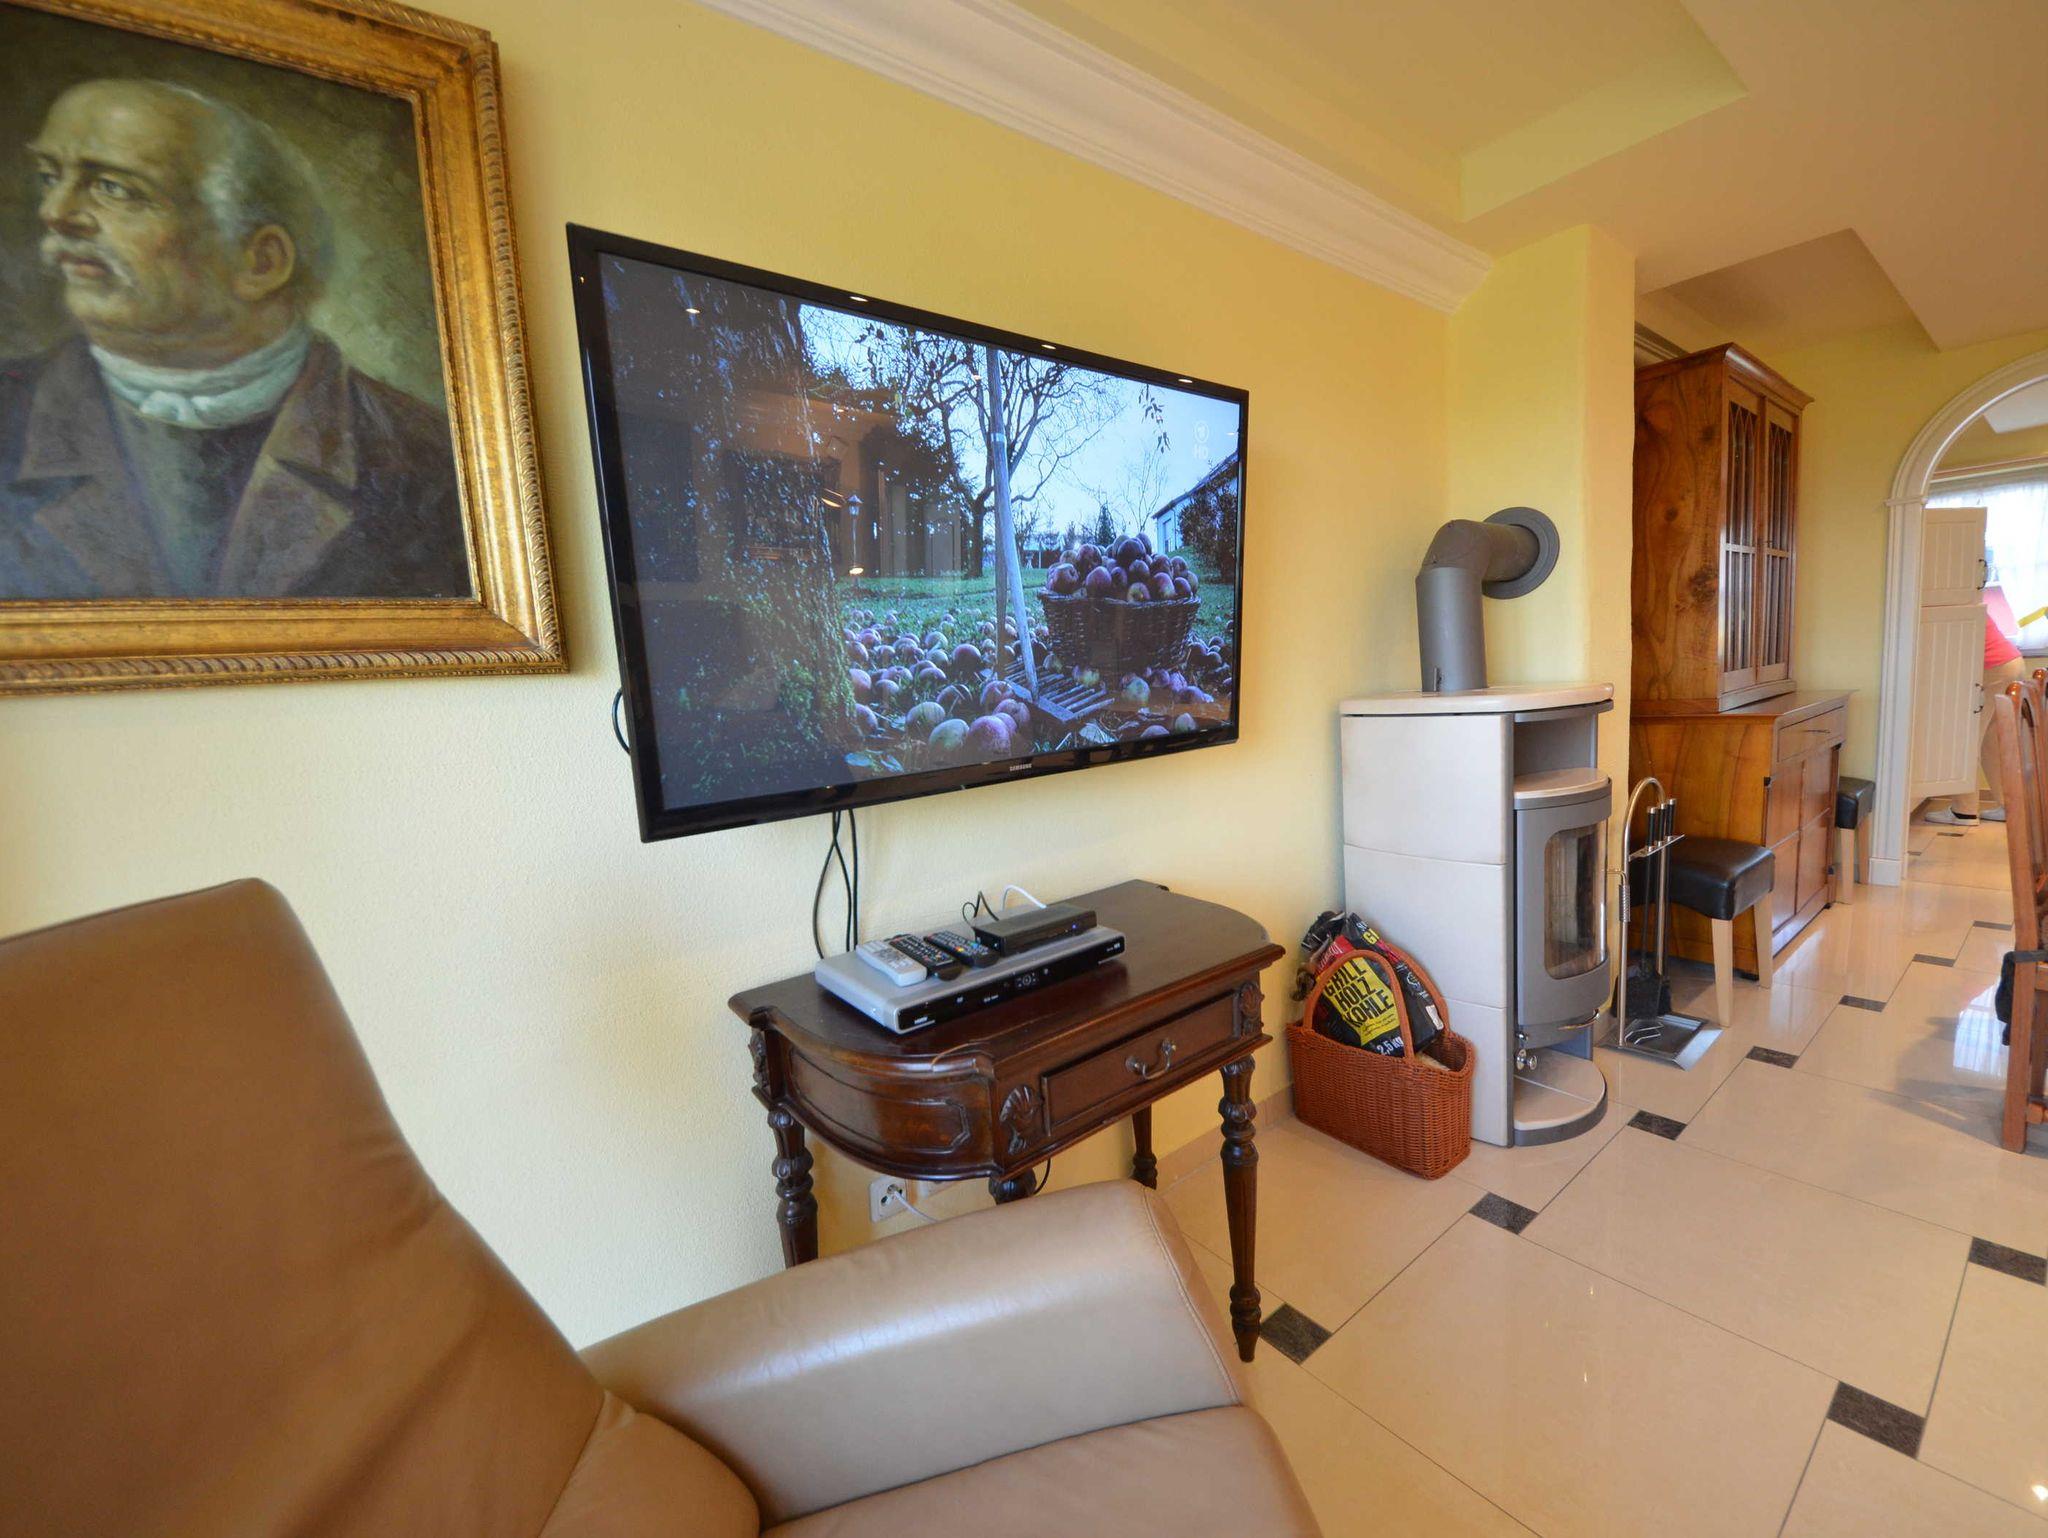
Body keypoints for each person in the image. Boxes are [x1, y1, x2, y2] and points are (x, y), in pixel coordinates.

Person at [0, 78, 469, 600]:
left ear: (260, 262)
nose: (55, 212)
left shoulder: (429, 457)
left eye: (115, 188)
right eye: (50, 177)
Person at [1927, 581, 2027, 825]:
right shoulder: (1963, 601)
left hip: (1992, 668)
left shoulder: (1948, 607)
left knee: (1967, 737)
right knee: (1989, 741)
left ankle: (1964, 810)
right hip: (2009, 663)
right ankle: (2009, 807)